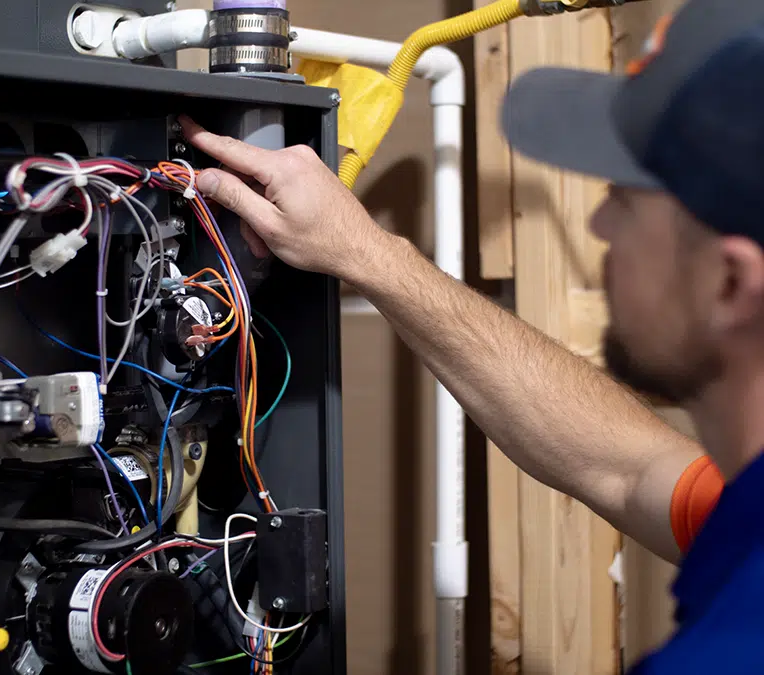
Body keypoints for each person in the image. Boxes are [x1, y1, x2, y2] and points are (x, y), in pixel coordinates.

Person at [181, 0, 764, 668]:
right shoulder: (743, 513)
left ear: (729, 282)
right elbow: (627, 468)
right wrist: (368, 252)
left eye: (625, 200)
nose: (600, 226)